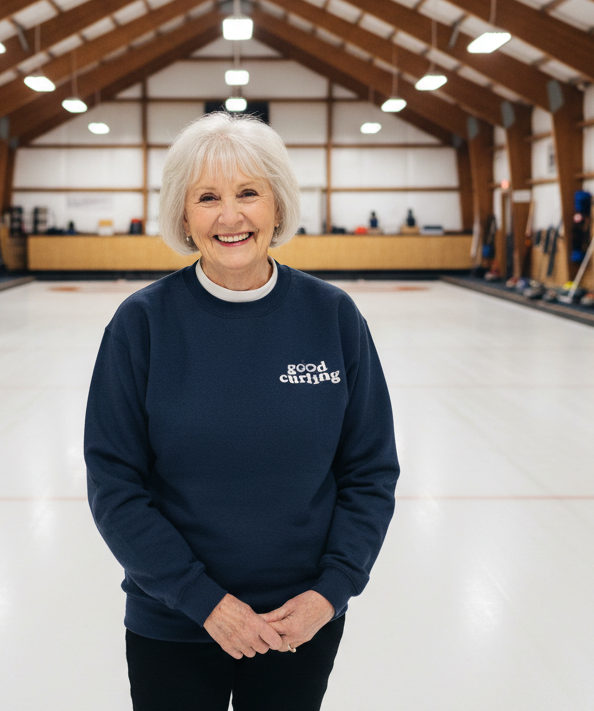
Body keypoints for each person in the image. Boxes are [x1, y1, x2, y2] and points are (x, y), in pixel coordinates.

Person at [84, 112, 400, 711]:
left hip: (297, 624)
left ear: (278, 204)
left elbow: (369, 473)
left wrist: (329, 594)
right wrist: (202, 601)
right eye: (207, 197)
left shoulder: (332, 318)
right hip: (174, 620)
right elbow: (114, 485)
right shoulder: (142, 325)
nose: (230, 216)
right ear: (183, 214)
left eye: (248, 193)